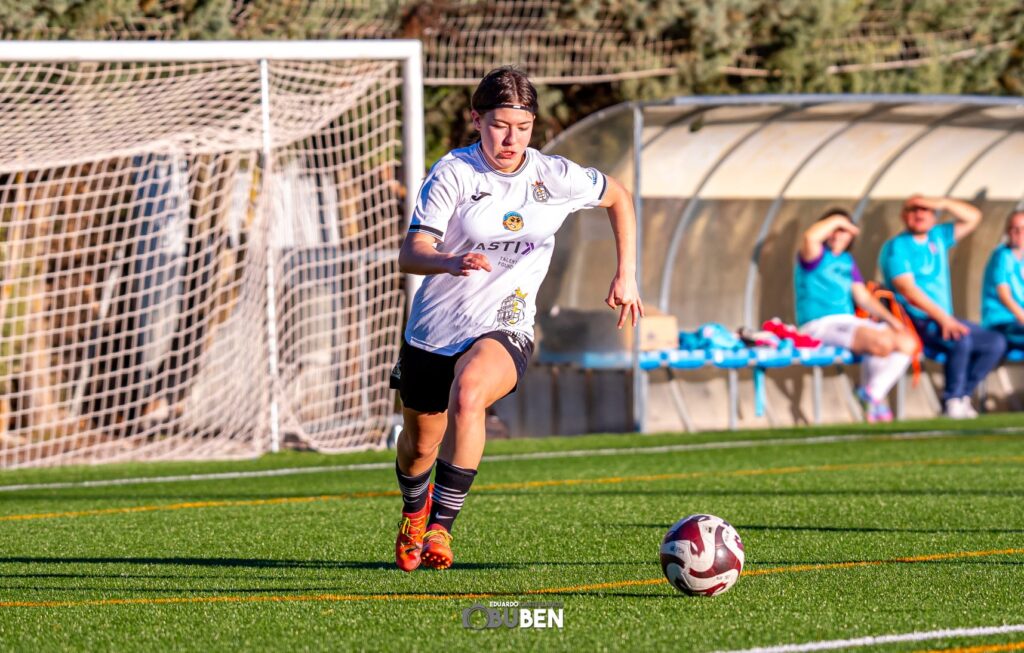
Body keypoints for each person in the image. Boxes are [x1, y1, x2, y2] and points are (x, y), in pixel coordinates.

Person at [390, 66, 644, 572]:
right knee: (420, 446)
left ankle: (441, 528)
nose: (511, 138)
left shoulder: (553, 176)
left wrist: (627, 274)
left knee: (470, 394)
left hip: (506, 325)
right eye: (500, 124)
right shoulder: (455, 173)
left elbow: (618, 195)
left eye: (522, 127)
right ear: (477, 119)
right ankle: (415, 510)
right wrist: (447, 260)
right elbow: (412, 251)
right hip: (434, 330)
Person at [879, 195, 1006, 419]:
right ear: (903, 215)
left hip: (943, 318)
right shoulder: (897, 247)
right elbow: (907, 289)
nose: (920, 214)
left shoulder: (937, 237)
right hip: (916, 319)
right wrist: (944, 319)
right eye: (913, 210)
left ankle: (963, 395)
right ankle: (951, 399)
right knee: (960, 339)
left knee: (994, 342)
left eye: (926, 210)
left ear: (934, 214)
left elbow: (973, 217)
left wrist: (943, 203)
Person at [794, 209, 916, 422]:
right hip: (819, 325)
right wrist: (840, 220)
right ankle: (873, 400)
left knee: (907, 342)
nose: (838, 234)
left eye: (843, 230)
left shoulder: (847, 261)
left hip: (848, 322)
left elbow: (864, 298)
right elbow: (810, 236)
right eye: (834, 229)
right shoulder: (814, 256)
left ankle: (872, 395)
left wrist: (892, 320)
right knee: (881, 342)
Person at [981, 210, 1024, 348]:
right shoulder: (1002, 256)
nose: (1017, 232)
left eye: (1022, 229)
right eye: (1013, 228)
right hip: (1002, 321)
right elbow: (1004, 296)